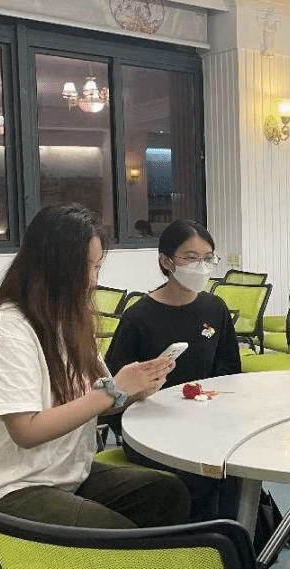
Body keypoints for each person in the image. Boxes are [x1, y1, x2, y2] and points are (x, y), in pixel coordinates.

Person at [0, 204, 190, 530]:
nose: (93, 280)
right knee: (122, 536)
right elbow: (26, 431)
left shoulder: (67, 321)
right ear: (51, 267)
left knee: (167, 493)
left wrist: (132, 390)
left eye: (97, 267)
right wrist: (113, 393)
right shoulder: (7, 329)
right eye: (85, 267)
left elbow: (91, 401)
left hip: (64, 474)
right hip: (9, 489)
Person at [105, 218, 241, 521]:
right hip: (150, 429)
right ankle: (195, 541)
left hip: (205, 423)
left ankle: (234, 541)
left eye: (208, 258)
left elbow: (230, 374)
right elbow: (113, 392)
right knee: (199, 473)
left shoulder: (214, 309)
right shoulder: (138, 317)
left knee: (234, 468)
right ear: (166, 261)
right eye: (190, 258)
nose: (201, 267)